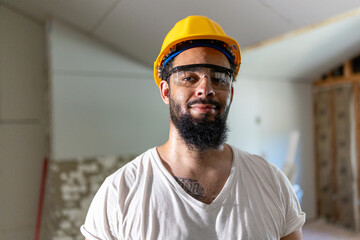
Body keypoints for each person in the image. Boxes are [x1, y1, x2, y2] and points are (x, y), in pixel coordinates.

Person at [81, 15, 306, 240]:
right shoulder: (120, 192)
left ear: (231, 94)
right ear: (166, 92)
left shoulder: (271, 182)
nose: (205, 88)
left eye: (219, 78)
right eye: (189, 78)